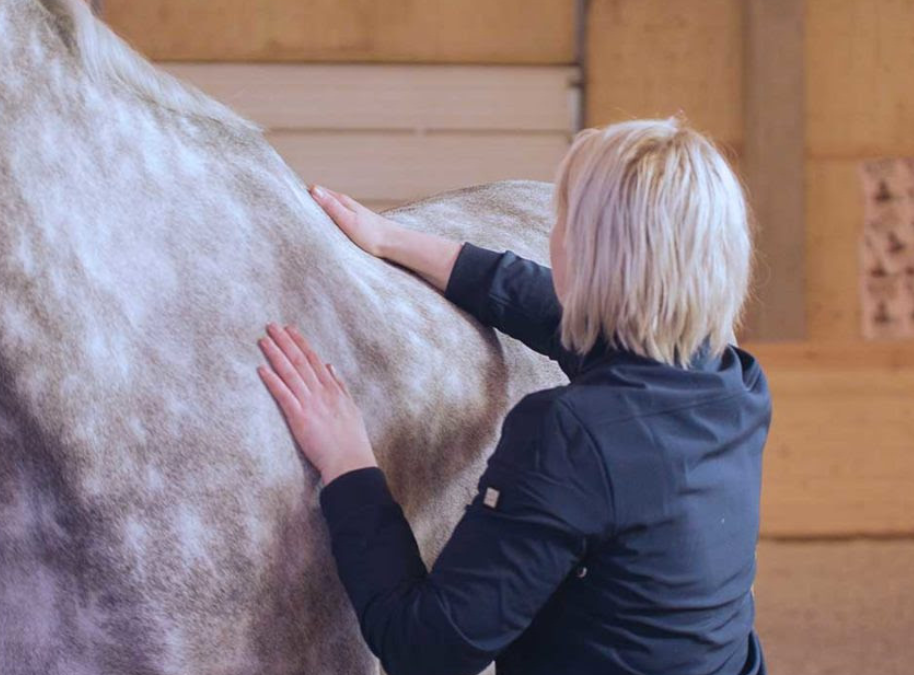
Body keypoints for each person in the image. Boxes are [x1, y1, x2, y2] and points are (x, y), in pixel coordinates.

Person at [256, 116, 770, 675]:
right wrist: (390, 239)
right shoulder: (733, 382)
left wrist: (348, 461)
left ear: (594, 255)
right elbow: (563, 316)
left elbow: (428, 647)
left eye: (564, 219)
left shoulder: (573, 433)